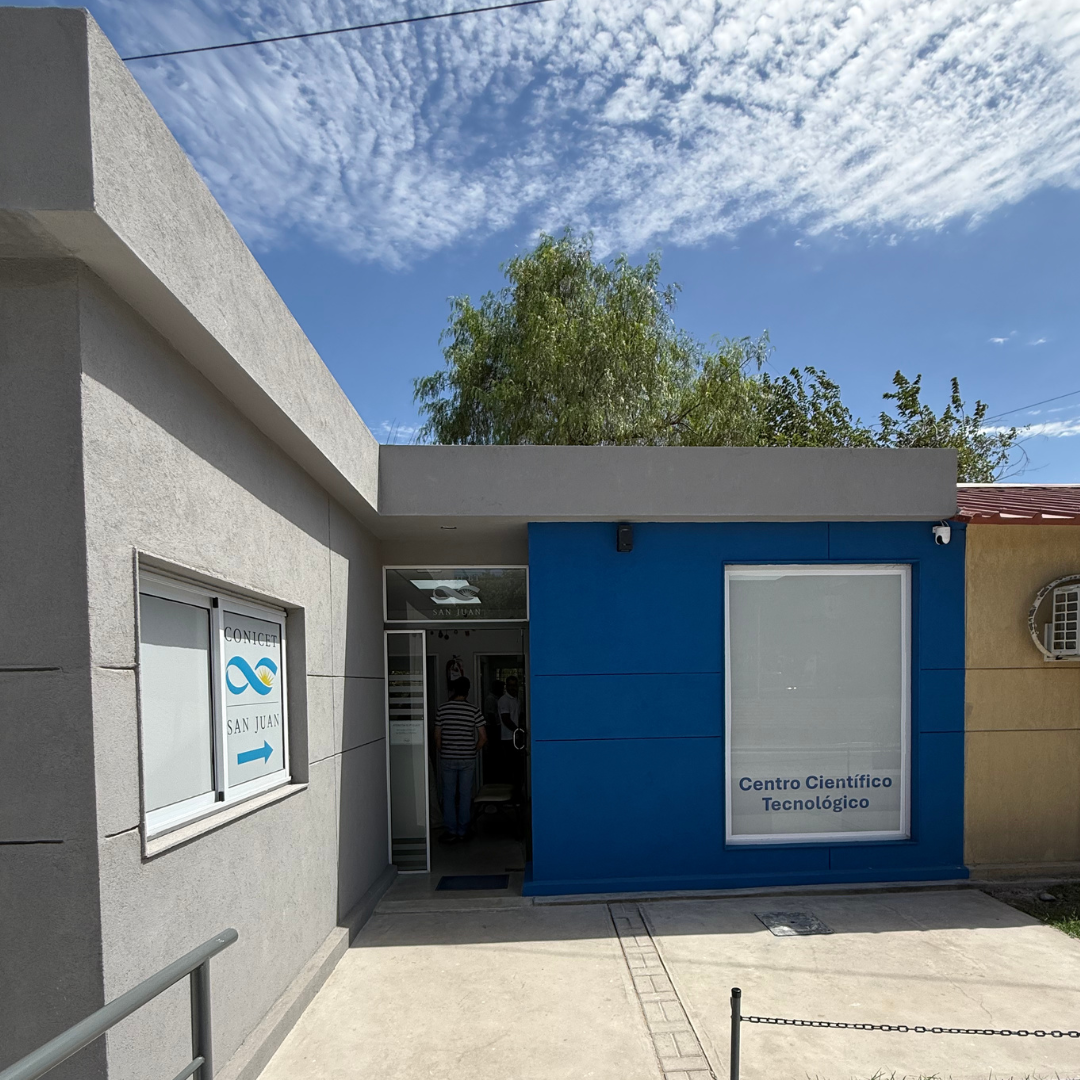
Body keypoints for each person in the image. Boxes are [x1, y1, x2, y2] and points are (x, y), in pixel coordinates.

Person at [434, 677, 486, 844]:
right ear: (468, 690)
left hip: (448, 757)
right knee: (465, 795)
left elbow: (437, 737)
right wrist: (473, 749)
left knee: (448, 795)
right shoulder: (474, 710)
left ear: (453, 690)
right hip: (467, 758)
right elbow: (483, 737)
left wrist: (445, 750)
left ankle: (451, 830)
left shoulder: (442, 709)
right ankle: (463, 830)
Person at [497, 675, 524, 797]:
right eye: (510, 685)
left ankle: (516, 795)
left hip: (516, 738)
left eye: (514, 685)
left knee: (518, 768)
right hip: (508, 738)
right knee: (510, 768)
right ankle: (508, 797)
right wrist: (518, 730)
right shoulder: (503, 700)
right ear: (506, 686)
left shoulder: (517, 700)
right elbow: (505, 719)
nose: (513, 688)